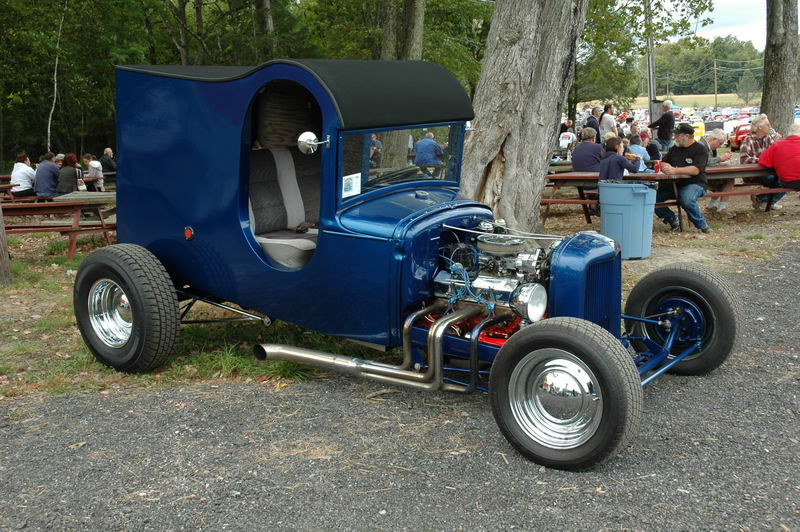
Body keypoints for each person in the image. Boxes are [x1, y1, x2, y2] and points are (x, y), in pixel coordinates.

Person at [653, 123, 711, 233]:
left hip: (694, 183)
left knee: (686, 199)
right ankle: (671, 218)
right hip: (673, 184)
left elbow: (695, 170)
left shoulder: (700, 149)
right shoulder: (674, 148)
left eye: (677, 135)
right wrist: (665, 166)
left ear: (686, 136)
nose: (674, 137)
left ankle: (702, 225)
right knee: (652, 197)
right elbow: (663, 162)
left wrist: (675, 170)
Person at [741, 113, 784, 210]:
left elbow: (776, 156)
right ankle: (767, 201)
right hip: (753, 174)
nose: (770, 127)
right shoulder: (748, 139)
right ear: (760, 127)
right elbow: (744, 159)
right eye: (767, 125)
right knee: (778, 180)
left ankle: (764, 200)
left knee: (787, 179)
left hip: (767, 171)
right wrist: (763, 160)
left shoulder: (768, 138)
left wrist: (777, 143)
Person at [698, 129, 733, 212]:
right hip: (700, 178)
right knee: (729, 180)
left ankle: (712, 205)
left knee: (725, 180)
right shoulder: (701, 146)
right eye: (720, 143)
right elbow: (705, 161)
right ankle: (721, 208)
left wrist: (722, 163)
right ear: (713, 139)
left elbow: (709, 163)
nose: (720, 146)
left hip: (704, 175)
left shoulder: (707, 147)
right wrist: (720, 159)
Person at [758, 123, 800, 190]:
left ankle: (763, 197)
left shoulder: (777, 145)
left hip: (787, 182)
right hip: (792, 181)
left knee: (776, 181)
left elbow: (762, 161)